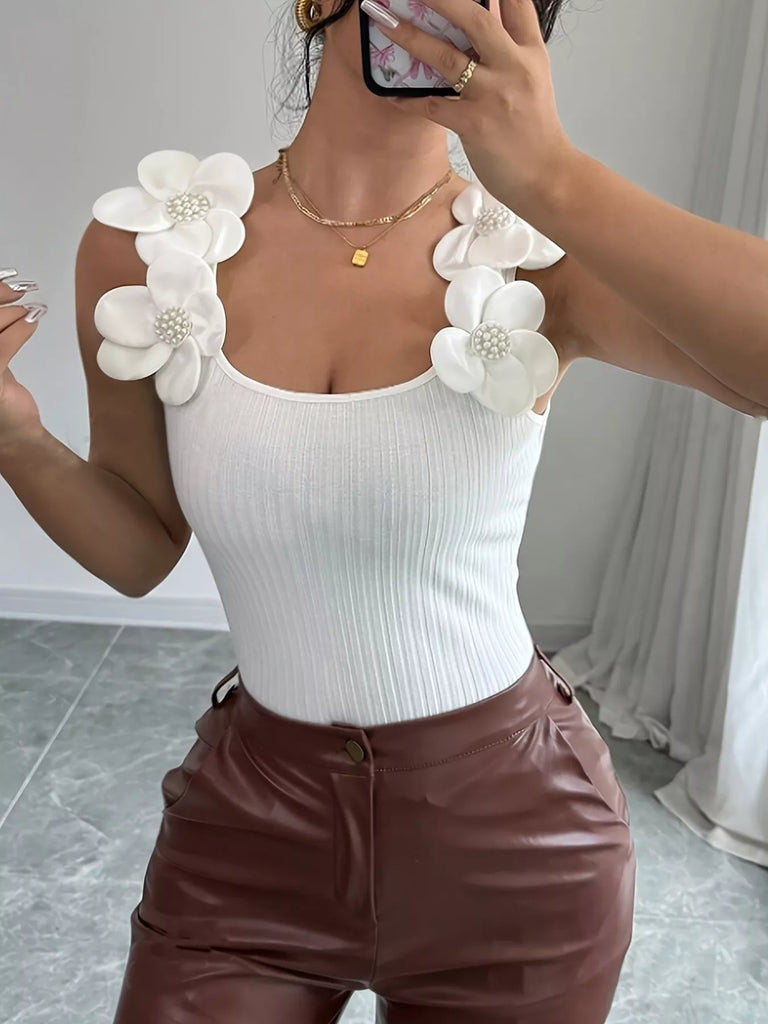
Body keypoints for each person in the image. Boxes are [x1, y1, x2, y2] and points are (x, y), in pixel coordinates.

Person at [2, 1, 767, 1021]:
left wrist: (551, 175)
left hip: (517, 843)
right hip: (250, 828)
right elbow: (140, 549)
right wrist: (15, 437)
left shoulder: (542, 256)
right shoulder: (148, 251)